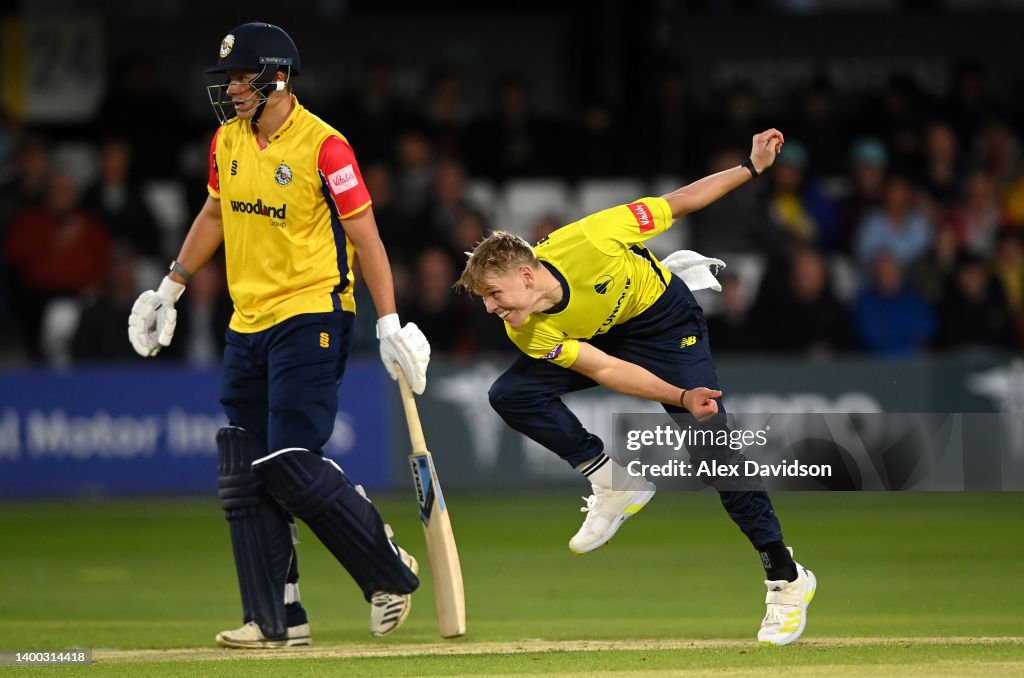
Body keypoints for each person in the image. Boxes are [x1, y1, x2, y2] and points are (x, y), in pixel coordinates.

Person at [127, 22, 428, 647]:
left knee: (290, 462)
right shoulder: (225, 140)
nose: (233, 89)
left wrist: (389, 318)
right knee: (243, 468)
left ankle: (387, 568)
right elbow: (215, 212)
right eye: (229, 79)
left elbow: (367, 237)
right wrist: (171, 287)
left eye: (244, 78)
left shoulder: (327, 148)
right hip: (247, 321)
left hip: (313, 313)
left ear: (279, 79)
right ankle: (274, 619)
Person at [457, 129, 817, 647]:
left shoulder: (593, 238)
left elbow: (681, 201)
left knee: (713, 444)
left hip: (665, 325)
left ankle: (786, 579)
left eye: (494, 294)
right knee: (510, 393)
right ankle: (610, 480)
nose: (491, 309)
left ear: (528, 275)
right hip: (601, 337)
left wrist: (752, 167)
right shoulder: (524, 326)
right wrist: (675, 396)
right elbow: (604, 369)